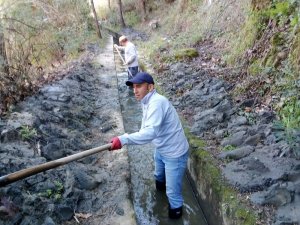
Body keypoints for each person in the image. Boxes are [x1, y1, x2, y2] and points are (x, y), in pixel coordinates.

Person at [110, 72, 189, 219]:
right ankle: (159, 200)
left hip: (175, 154)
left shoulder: (157, 102)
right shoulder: (146, 101)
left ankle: (175, 216)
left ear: (150, 87)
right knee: (158, 176)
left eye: (139, 86)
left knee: (173, 193)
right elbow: (145, 129)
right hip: (161, 148)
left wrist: (124, 139)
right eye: (134, 87)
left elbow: (149, 133)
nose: (135, 90)